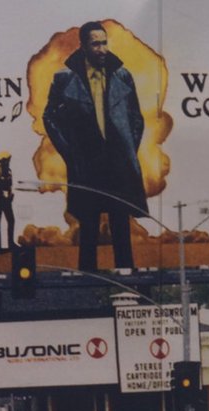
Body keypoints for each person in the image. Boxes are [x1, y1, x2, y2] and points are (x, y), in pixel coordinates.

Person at [43, 21, 147, 271]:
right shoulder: (65, 79)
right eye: (95, 44)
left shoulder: (122, 75)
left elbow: (136, 117)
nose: (101, 49)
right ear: (83, 46)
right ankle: (88, 277)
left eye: (104, 43)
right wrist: (70, 153)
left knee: (120, 219)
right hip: (87, 162)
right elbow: (49, 117)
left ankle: (126, 274)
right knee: (88, 222)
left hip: (117, 161)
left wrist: (129, 147)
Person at [0, 151, 16, 253]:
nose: (8, 162)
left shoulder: (9, 171)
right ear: (1, 161)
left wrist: (10, 194)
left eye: (8, 160)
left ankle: (11, 244)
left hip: (7, 201)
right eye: (5, 161)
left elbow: (10, 185)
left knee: (11, 220)